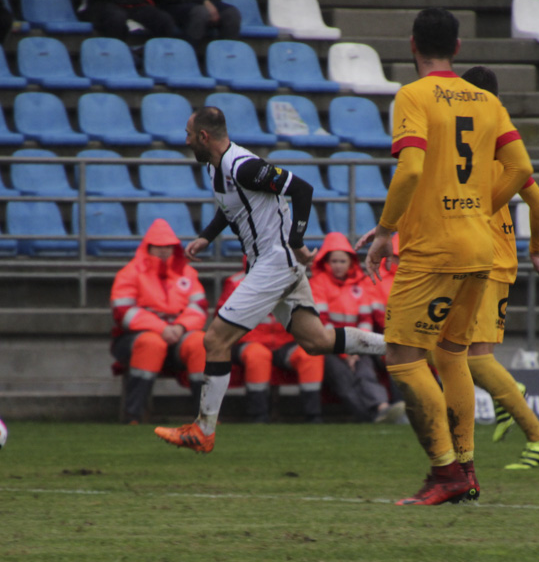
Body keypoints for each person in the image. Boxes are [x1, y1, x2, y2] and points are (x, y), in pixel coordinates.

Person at [356, 8, 534, 506]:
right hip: (479, 244)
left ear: (412, 44)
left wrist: (384, 233)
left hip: (434, 249)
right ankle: (468, 469)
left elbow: (410, 170)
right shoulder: (486, 100)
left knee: (403, 357)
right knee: (452, 353)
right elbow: (521, 169)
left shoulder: (412, 95)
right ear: (457, 48)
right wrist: (478, 209)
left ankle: (446, 472)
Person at [152, 106, 386, 453]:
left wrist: (296, 241)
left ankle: (203, 430)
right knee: (317, 341)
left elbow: (302, 190)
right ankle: (398, 346)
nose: (185, 140)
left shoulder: (244, 167)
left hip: (276, 263)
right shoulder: (215, 168)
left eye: (188, 134)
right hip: (272, 264)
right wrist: (207, 236)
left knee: (215, 340)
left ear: (204, 136)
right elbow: (231, 207)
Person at [458, 66, 539, 470]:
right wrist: (535, 251)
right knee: (446, 350)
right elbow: (538, 203)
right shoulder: (499, 144)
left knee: (474, 357)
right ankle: (505, 396)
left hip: (488, 262)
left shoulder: (474, 143)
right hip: (483, 258)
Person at [110, 219, 208, 424]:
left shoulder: (188, 273)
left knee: (200, 342)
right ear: (148, 247)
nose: (164, 251)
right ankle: (133, 415)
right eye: (158, 246)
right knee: (151, 344)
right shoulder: (130, 273)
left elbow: (199, 307)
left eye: (168, 247)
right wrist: (162, 328)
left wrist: (180, 327)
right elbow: (122, 311)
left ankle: (206, 416)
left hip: (179, 336)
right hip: (136, 339)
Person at [310, 232, 406, 424]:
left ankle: (382, 409)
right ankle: (373, 415)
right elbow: (322, 321)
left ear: (350, 262)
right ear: (326, 262)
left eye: (342, 261)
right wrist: (345, 353)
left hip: (357, 344)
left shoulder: (359, 284)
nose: (338, 265)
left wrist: (357, 346)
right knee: (343, 378)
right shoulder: (317, 284)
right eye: (334, 261)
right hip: (329, 346)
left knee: (366, 373)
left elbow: (365, 318)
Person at [217, 266, 326, 423]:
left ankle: (314, 416)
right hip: (248, 341)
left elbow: (307, 314)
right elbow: (224, 319)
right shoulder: (236, 283)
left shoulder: (295, 281)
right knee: (258, 356)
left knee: (310, 356)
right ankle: (258, 415)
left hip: (285, 342)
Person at [151, 0, 241, 52]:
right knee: (201, 13)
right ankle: (186, 57)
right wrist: (202, 1)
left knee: (231, 14)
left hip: (198, 0)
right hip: (171, 3)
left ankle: (226, 60)